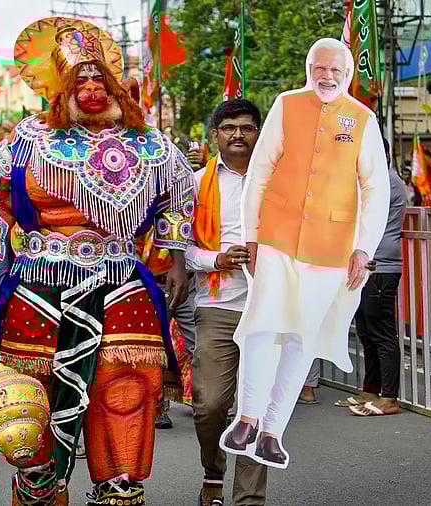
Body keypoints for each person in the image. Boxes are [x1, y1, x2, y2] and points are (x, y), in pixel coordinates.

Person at [0, 17, 192, 506]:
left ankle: (119, 489)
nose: (90, 89)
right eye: (79, 80)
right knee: (35, 392)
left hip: (121, 277)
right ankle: (42, 489)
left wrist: (175, 258)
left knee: (125, 390)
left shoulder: (149, 144)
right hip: (40, 281)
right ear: (61, 88)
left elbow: (179, 193)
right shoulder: (29, 138)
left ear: (115, 85)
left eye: (99, 79)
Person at [221, 38, 390, 469]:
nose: (327, 76)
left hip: (331, 249)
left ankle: (273, 430)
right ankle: (248, 417)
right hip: (277, 235)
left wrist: (363, 248)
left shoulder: (364, 119)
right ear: (309, 68)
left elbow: (375, 189)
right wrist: (252, 234)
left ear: (348, 74)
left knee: (301, 339)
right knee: (262, 327)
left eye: (336, 70)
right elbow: (259, 171)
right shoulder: (286, 104)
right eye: (320, 67)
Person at [186, 99, 268, 506]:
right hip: (217, 303)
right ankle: (213, 472)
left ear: (259, 133)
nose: (238, 134)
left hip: (268, 305)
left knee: (256, 406)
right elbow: (181, 249)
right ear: (216, 134)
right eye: (229, 127)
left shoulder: (278, 180)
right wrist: (216, 258)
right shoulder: (195, 183)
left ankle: (249, 499)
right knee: (210, 405)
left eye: (247, 127)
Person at [334, 137, 407, 417]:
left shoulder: (385, 181)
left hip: (381, 265)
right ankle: (370, 390)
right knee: (366, 330)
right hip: (368, 265)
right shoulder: (375, 180)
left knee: (381, 331)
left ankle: (389, 397)